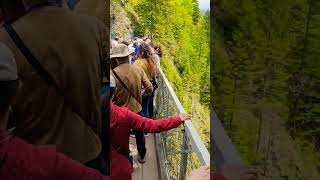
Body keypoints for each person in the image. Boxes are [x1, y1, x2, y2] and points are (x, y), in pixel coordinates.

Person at [0, 0, 109, 174]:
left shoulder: (5, 40)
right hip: (87, 152)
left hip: (33, 164)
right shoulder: (94, 28)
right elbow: (114, 85)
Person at [109, 74, 190, 180]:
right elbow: (152, 125)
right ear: (114, 93)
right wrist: (178, 119)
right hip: (120, 164)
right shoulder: (123, 115)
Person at [110, 43, 153, 163]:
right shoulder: (138, 70)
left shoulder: (113, 73)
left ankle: (127, 162)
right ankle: (142, 155)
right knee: (140, 135)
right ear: (128, 56)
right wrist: (140, 95)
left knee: (122, 138)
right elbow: (150, 87)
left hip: (121, 113)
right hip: (136, 109)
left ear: (116, 58)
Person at [134, 42, 157, 119]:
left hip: (141, 89)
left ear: (142, 52)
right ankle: (147, 126)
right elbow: (154, 75)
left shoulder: (138, 63)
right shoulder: (151, 62)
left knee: (139, 110)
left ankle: (140, 127)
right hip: (149, 88)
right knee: (145, 108)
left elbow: (135, 76)